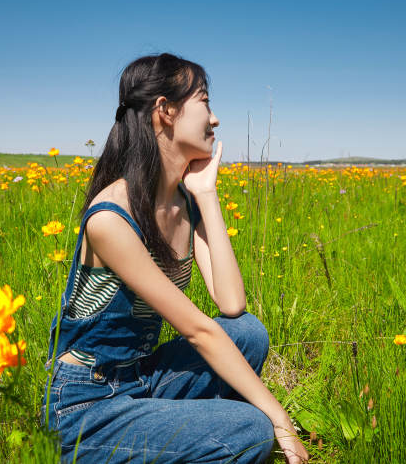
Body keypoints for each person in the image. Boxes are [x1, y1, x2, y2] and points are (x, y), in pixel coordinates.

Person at [43, 53, 308, 464]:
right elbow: (199, 331)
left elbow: (231, 304)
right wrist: (279, 418)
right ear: (165, 111)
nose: (215, 119)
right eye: (204, 100)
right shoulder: (112, 216)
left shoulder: (184, 201)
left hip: (141, 377)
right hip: (87, 404)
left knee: (248, 334)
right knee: (251, 432)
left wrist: (206, 193)